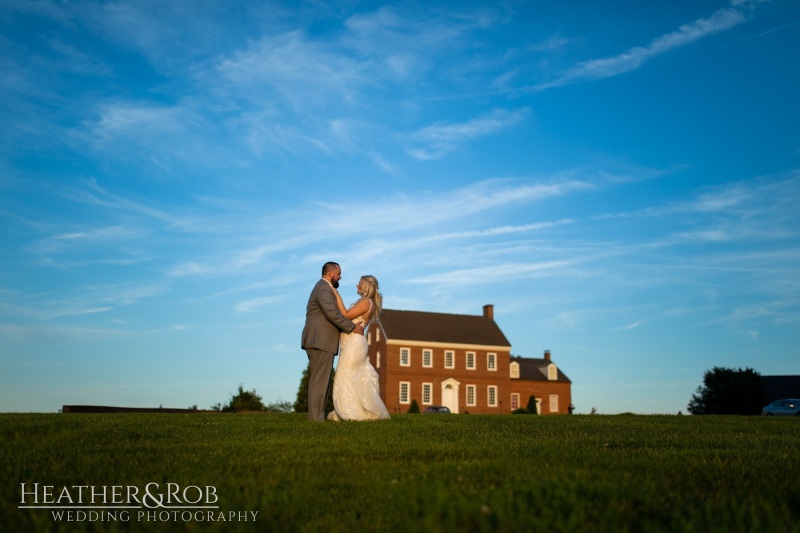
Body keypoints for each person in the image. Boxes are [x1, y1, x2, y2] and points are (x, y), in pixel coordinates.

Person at [301, 262, 364, 421]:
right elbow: (332, 313)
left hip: (320, 341)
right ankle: (316, 419)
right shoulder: (323, 288)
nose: (340, 277)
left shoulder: (324, 288)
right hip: (320, 341)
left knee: (320, 381)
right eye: (339, 274)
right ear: (330, 274)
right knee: (319, 382)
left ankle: (317, 417)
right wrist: (352, 327)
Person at [327, 275, 390, 421]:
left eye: (359, 284)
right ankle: (354, 410)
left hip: (354, 345)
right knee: (352, 377)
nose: (356, 286)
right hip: (351, 343)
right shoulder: (365, 302)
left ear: (365, 286)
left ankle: (350, 413)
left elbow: (346, 315)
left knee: (345, 376)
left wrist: (336, 294)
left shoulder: (366, 302)